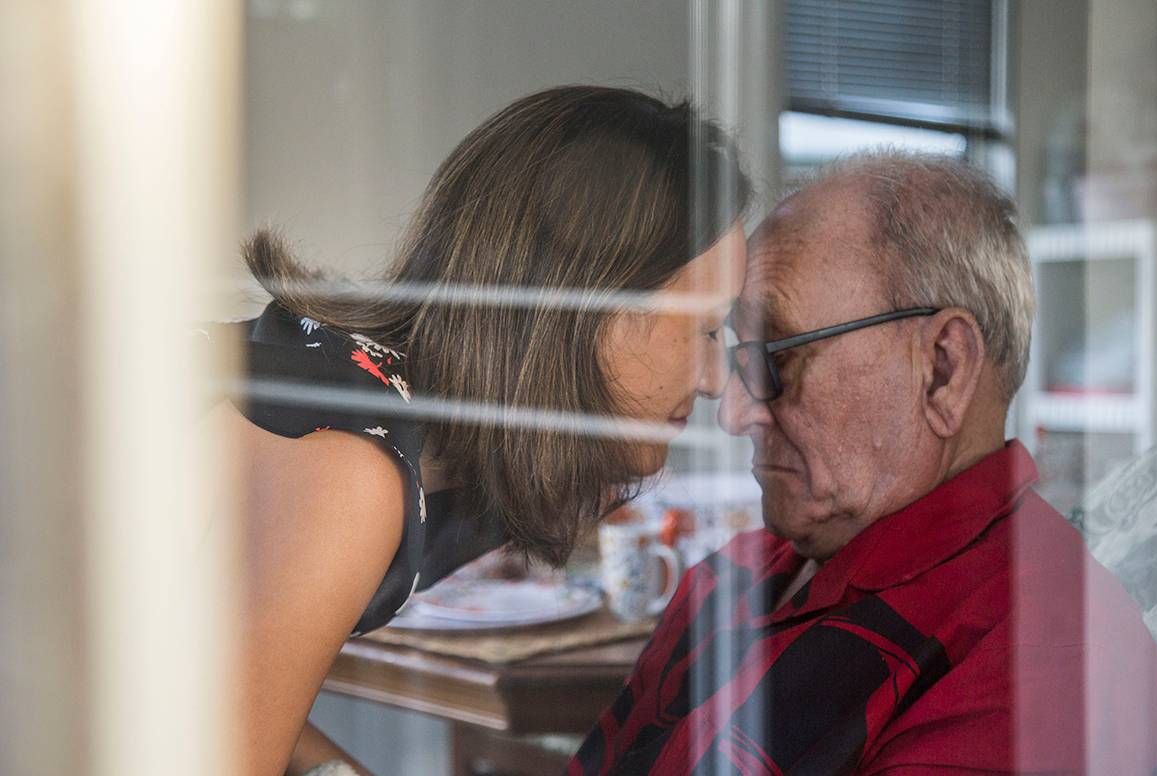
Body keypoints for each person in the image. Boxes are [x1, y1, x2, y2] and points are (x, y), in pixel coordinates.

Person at [568, 152, 1157, 775]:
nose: (734, 413)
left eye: (775, 359)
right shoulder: (730, 574)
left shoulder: (1043, 654)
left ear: (943, 370)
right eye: (738, 357)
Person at [199, 85, 750, 775]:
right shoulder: (353, 469)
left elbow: (214, 697)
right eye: (704, 327)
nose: (713, 379)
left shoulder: (414, 444)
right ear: (593, 308)